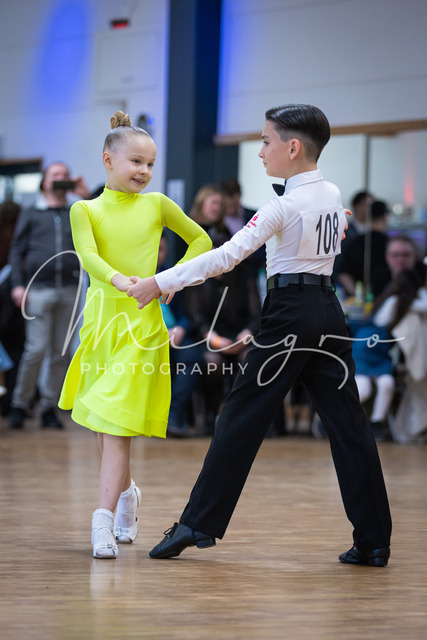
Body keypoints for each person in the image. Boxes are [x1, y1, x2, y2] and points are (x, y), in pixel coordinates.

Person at [127, 104, 392, 567]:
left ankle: (198, 523)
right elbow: (334, 228)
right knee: (349, 425)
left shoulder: (283, 205)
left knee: (240, 416)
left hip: (289, 315)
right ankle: (374, 540)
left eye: (267, 141)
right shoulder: (330, 192)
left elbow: (226, 257)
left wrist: (159, 281)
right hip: (328, 311)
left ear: (293, 147)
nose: (261, 151)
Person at [58, 111, 211, 559]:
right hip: (100, 324)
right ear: (108, 160)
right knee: (103, 425)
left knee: (116, 425)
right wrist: (121, 281)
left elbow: (201, 241)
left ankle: (102, 520)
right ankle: (127, 495)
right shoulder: (84, 209)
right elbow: (88, 256)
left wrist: (168, 279)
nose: (144, 171)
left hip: (142, 324)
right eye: (136, 162)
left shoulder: (158, 204)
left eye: (150, 164)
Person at [8, 163, 90, 429]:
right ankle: (20, 404)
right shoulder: (32, 212)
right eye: (55, 175)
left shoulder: (78, 210)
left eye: (65, 175)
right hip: (38, 290)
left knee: (60, 352)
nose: (60, 178)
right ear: (44, 182)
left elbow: (103, 225)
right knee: (36, 349)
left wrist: (86, 196)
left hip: (70, 289)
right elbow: (16, 250)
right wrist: (18, 285)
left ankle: (48, 407)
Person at [338, 200, 390, 296]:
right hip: (385, 296)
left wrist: (359, 296)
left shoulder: (357, 242)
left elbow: (344, 274)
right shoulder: (391, 245)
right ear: (385, 217)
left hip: (364, 298)